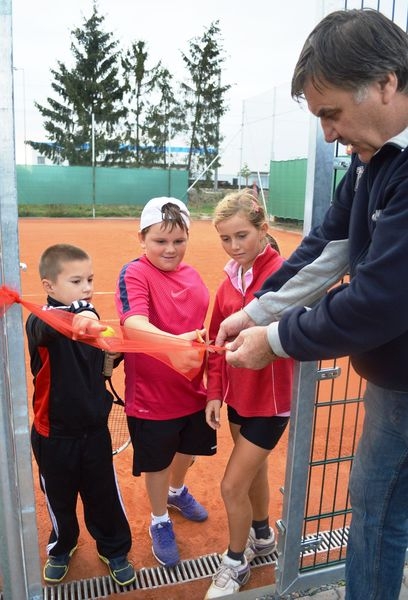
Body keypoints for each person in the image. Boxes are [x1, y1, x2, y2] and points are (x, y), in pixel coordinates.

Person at [215, 9, 408, 600]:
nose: (327, 133)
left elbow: (377, 300)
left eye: (331, 113)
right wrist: (255, 311)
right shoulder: (375, 157)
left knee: (375, 511)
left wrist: (273, 339)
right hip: (396, 379)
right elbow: (329, 245)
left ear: (385, 83)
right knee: (382, 505)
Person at [114, 197, 217, 569]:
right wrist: (175, 347)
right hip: (152, 395)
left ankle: (176, 493)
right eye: (160, 241)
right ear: (143, 238)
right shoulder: (134, 273)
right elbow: (132, 324)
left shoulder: (192, 275)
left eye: (178, 240)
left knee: (186, 450)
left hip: (192, 388)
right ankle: (159, 519)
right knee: (155, 461)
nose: (170, 249)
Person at [25, 244, 135, 586]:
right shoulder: (38, 322)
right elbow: (56, 327)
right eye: (76, 281)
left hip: (93, 433)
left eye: (89, 279)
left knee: (103, 495)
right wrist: (85, 318)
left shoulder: (92, 320)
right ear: (49, 287)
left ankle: (114, 547)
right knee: (59, 498)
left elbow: (100, 365)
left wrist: (112, 354)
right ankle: (62, 546)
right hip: (52, 435)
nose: (86, 287)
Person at [204, 190, 294, 598]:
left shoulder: (283, 275)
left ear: (263, 230)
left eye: (241, 235)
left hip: (271, 405)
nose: (234, 246)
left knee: (230, 486)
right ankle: (263, 536)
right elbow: (216, 342)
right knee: (253, 473)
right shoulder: (229, 280)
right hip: (239, 399)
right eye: (225, 238)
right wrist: (215, 394)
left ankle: (235, 563)